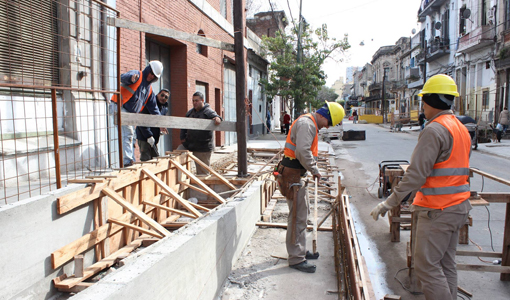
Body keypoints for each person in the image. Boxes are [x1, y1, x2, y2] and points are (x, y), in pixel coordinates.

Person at [370, 74, 472, 300]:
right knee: (445, 265)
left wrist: (389, 202)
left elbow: (416, 174)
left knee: (426, 267)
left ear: (433, 100)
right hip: (458, 207)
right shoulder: (460, 128)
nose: (422, 105)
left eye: (424, 100)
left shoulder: (434, 130)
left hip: (438, 211)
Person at [275, 102, 345, 273]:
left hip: (296, 174)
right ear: (324, 115)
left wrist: (310, 169)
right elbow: (303, 151)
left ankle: (300, 250)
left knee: (301, 214)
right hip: (293, 175)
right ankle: (296, 258)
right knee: (297, 217)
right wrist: (315, 170)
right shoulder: (307, 124)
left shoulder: (309, 123)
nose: (327, 127)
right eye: (328, 123)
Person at [111, 61, 163, 167]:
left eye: (154, 75)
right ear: (148, 69)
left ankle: (130, 160)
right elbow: (122, 77)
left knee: (132, 136)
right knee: (128, 133)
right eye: (151, 73)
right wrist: (130, 78)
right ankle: (127, 161)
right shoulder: (137, 75)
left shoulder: (149, 90)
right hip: (119, 106)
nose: (151, 76)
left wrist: (161, 123)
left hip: (130, 113)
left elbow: (154, 108)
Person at [178, 92, 222, 174]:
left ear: (202, 100)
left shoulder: (208, 111)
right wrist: (182, 138)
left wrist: (217, 118)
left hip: (203, 147)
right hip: (190, 144)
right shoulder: (190, 113)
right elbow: (183, 125)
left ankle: (203, 186)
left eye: (197, 101)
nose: (194, 103)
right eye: (193, 101)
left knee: (203, 172)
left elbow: (217, 117)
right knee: (177, 156)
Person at [136, 89, 170, 161]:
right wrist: (148, 135)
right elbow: (142, 121)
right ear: (158, 94)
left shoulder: (164, 108)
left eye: (166, 97)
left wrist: (162, 127)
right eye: (162, 95)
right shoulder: (150, 104)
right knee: (146, 159)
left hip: (154, 138)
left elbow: (159, 120)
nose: (163, 98)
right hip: (144, 136)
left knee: (155, 158)